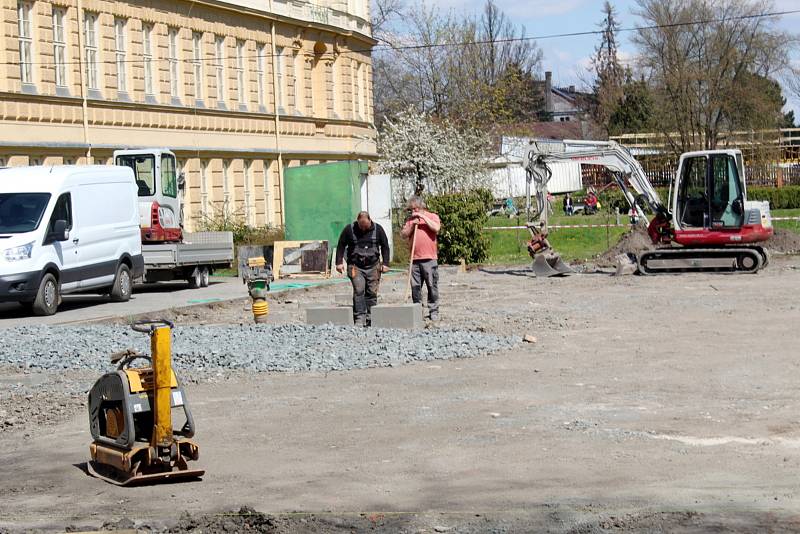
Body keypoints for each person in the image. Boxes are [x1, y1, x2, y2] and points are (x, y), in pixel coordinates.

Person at [335, 211, 391, 327]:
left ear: (370, 221)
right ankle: (360, 317)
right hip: (356, 266)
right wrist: (339, 262)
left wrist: (385, 263)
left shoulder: (378, 229)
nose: (364, 229)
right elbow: (341, 245)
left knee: (371, 292)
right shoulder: (350, 230)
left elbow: (385, 246)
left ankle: (371, 317)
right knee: (359, 290)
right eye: (362, 227)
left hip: (373, 266)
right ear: (358, 222)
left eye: (366, 227)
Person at [401, 196, 441, 321]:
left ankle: (433, 311)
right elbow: (403, 235)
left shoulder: (432, 216)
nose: (413, 211)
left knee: (431, 286)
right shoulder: (410, 220)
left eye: (414, 209)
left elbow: (436, 228)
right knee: (415, 287)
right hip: (415, 259)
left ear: (420, 207)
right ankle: (417, 310)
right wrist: (412, 225)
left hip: (429, 258)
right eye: (411, 209)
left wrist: (423, 218)